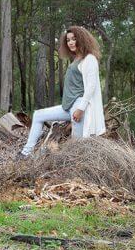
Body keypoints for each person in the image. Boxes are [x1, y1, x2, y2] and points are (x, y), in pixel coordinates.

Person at [19, 26, 106, 157]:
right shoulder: (76, 59)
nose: (70, 42)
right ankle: (26, 153)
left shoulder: (90, 59)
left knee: (77, 146)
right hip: (68, 106)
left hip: (78, 105)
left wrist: (81, 109)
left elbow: (91, 86)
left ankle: (78, 172)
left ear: (82, 40)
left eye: (74, 39)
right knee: (38, 115)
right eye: (68, 40)